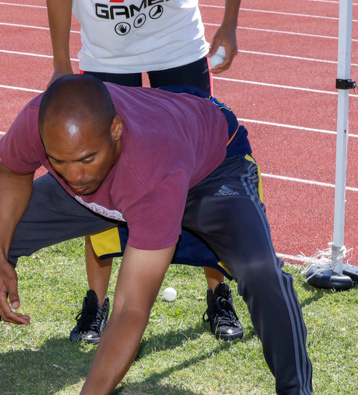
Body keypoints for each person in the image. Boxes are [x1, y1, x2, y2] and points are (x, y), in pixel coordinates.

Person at [0, 76, 340, 395]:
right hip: (126, 178)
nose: (74, 176)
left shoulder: (153, 169)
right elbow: (12, 171)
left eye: (86, 159)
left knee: (262, 273)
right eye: (58, 162)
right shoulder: (41, 123)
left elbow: (131, 309)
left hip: (211, 172)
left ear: (115, 131)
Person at [47, 0, 245, 344]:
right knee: (100, 177)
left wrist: (229, 23)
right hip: (107, 56)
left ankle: (219, 295)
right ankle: (96, 303)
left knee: (202, 175)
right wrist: (61, 61)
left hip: (177, 48)